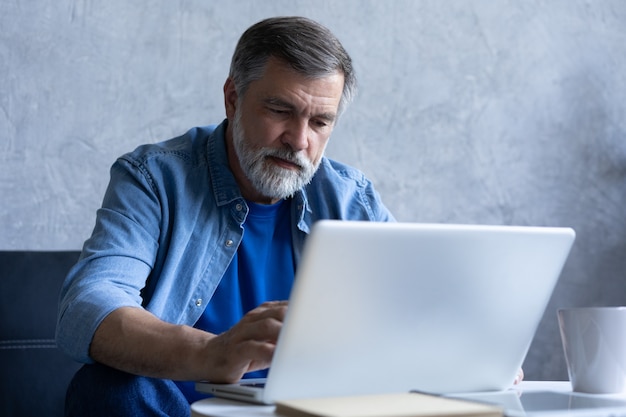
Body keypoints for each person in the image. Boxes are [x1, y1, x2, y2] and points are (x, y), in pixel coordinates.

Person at [56, 16, 394, 416]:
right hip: (178, 410)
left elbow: (408, 320)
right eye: (280, 110)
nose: (299, 140)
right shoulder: (155, 178)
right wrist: (214, 353)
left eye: (320, 122)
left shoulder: (353, 201)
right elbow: (88, 305)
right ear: (233, 98)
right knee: (108, 389)